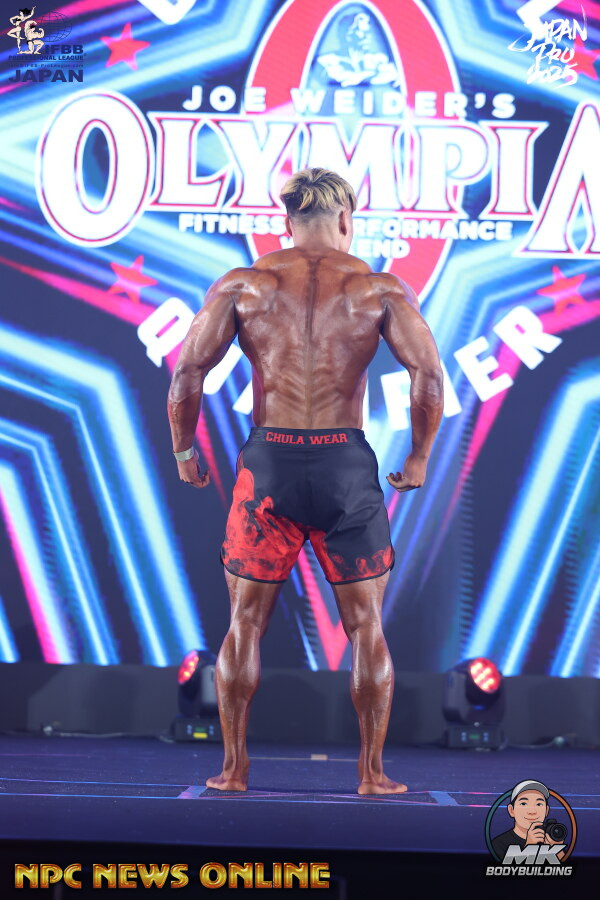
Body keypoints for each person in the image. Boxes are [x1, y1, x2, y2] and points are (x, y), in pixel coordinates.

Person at [167, 167, 444, 794]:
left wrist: (184, 450)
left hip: (271, 465)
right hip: (344, 465)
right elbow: (428, 374)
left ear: (287, 221)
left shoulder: (246, 284)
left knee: (244, 622)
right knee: (366, 626)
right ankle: (372, 774)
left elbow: (187, 374)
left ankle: (234, 770)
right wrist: (420, 457)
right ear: (346, 219)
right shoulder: (378, 288)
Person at [492, 781, 566, 861]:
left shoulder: (551, 838)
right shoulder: (498, 844)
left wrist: (557, 850)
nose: (532, 811)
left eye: (539, 804)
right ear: (511, 810)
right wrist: (529, 847)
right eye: (524, 804)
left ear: (546, 811)